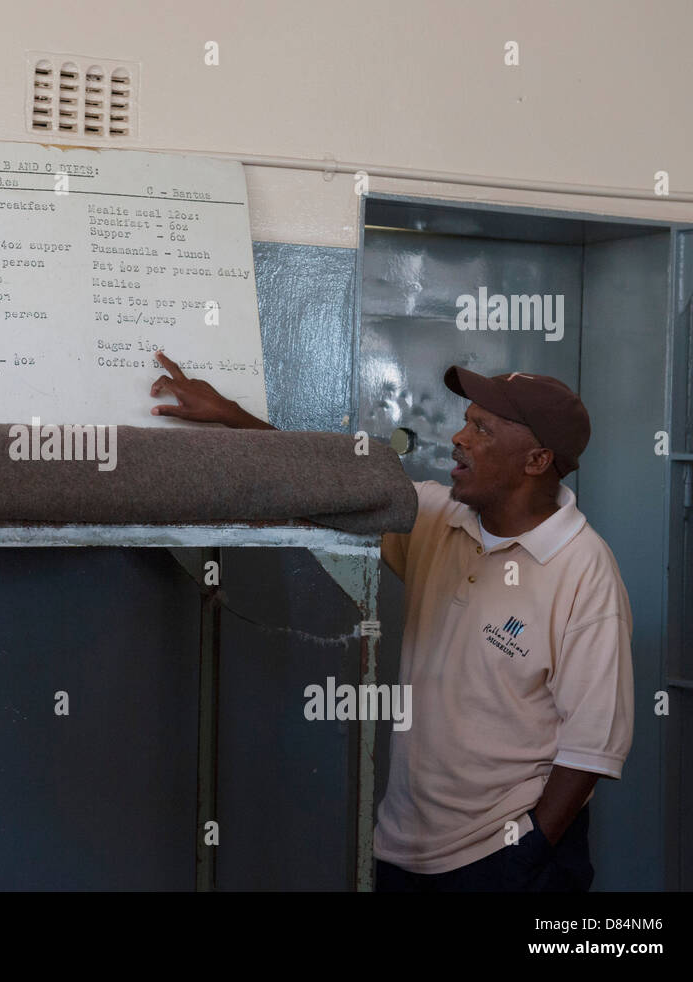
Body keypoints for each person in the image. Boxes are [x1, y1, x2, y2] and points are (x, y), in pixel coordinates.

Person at [148, 351, 633, 891]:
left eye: (482, 429)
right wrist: (233, 416)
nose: (458, 437)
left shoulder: (583, 570)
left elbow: (590, 747)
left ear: (537, 461)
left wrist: (528, 853)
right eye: (465, 421)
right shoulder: (435, 517)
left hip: (508, 859)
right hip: (404, 849)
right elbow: (330, 488)